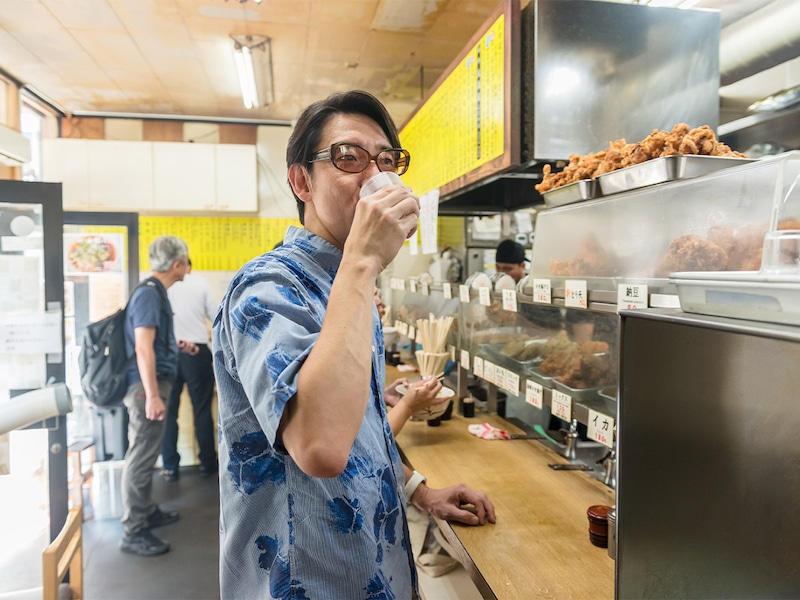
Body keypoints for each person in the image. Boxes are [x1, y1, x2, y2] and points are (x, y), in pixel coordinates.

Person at [213, 90, 495, 599]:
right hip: (308, 583)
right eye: (349, 157)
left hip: (375, 568)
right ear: (302, 181)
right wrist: (364, 261)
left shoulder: (344, 284)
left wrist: (420, 492)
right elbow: (320, 447)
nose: (374, 176)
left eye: (386, 161)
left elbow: (361, 424)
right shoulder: (267, 287)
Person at [119, 235, 195, 557]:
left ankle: (146, 511)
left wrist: (178, 346)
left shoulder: (154, 293)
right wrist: (151, 395)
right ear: (176, 264)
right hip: (144, 387)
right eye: (187, 262)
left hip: (151, 382)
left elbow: (151, 341)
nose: (188, 268)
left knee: (146, 452)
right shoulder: (149, 294)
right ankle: (133, 531)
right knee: (141, 456)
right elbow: (142, 347)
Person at [160, 258, 219, 481]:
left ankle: (170, 466)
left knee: (169, 412)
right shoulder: (200, 283)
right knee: (202, 409)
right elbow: (216, 317)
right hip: (197, 352)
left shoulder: (165, 286)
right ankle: (207, 463)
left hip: (170, 351)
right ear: (189, 267)